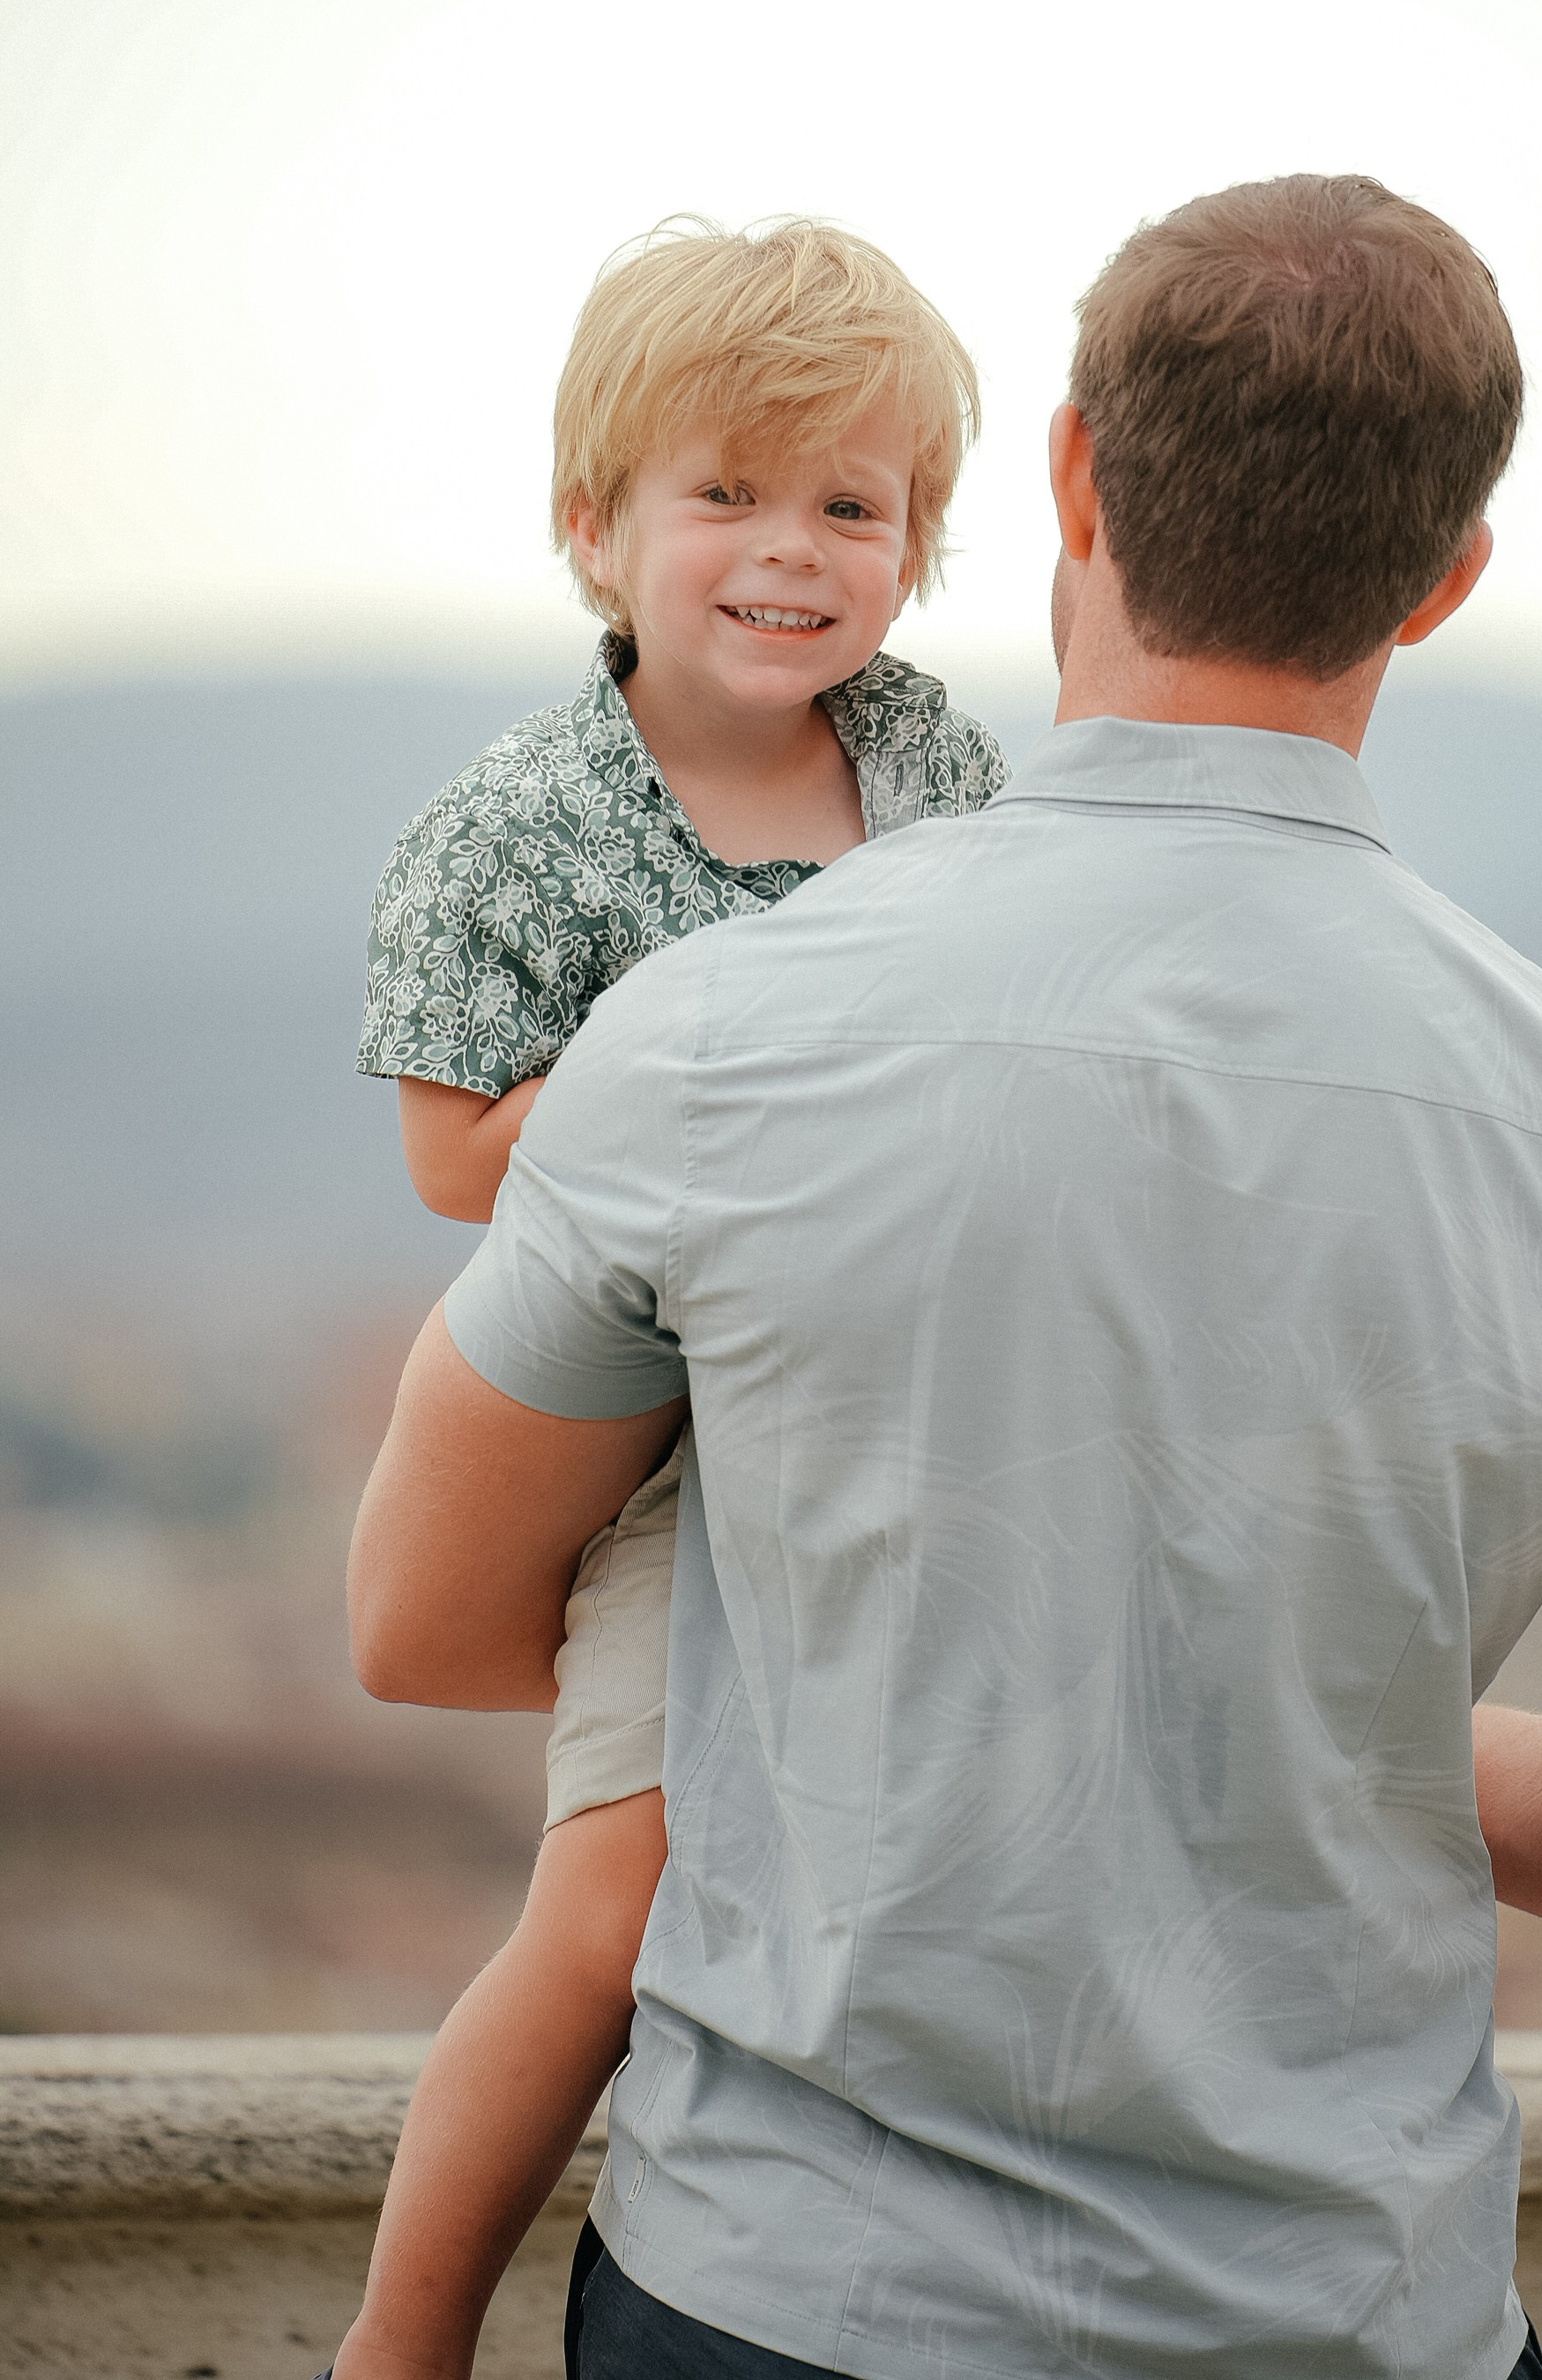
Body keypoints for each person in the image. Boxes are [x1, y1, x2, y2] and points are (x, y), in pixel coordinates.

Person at [348, 173, 1542, 2380]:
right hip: (1360, 2328)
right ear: (1444, 580)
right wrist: (1280, 1727)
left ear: (1068, 474)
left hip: (785, 2314)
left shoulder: (702, 1036)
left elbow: (419, 1618)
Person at [331, 216, 1005, 2380]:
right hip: (678, 1436)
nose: (788, 550)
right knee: (620, 1896)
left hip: (929, 1412)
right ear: (592, 529)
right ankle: (408, 2333)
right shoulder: (523, 829)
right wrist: (719, 1088)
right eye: (724, 492)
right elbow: (453, 1160)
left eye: (851, 504)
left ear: (915, 543)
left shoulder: (938, 777)